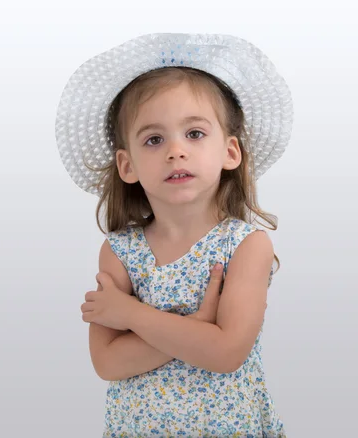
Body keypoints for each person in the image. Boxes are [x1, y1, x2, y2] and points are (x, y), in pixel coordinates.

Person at [55, 33, 293, 437]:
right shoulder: (120, 252)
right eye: (154, 139)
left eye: (195, 134)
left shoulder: (245, 246)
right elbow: (108, 363)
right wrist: (198, 327)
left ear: (230, 152)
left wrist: (132, 315)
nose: (175, 151)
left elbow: (225, 352)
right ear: (127, 165)